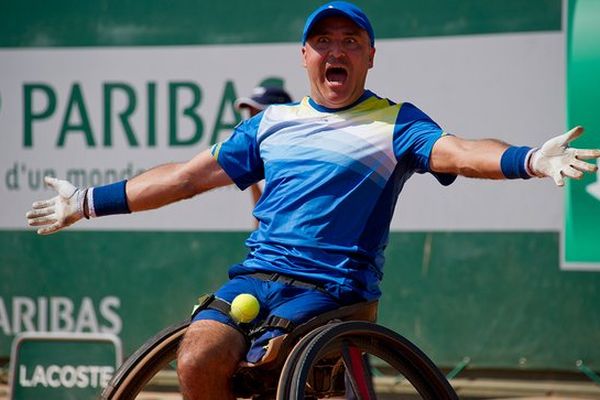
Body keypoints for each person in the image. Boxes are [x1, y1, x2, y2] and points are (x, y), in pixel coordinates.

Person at [26, 2, 600, 399]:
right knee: (198, 357)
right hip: (255, 278)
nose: (336, 50)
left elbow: (459, 152)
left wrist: (529, 159)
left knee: (269, 365)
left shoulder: (396, 122)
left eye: (350, 41)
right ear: (305, 55)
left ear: (370, 56)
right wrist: (87, 202)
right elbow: (184, 178)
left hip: (335, 293)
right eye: (323, 40)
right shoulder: (271, 124)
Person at [234, 85, 293, 224]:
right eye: (251, 114)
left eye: (259, 114)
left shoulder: (302, 154)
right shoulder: (256, 157)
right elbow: (259, 214)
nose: (252, 121)